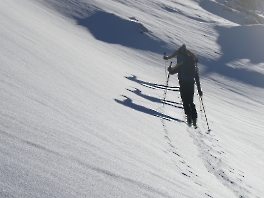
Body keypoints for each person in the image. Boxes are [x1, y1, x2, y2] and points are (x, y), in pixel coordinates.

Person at [163, 44, 203, 127]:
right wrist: (199, 90)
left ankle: (188, 117)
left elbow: (171, 72)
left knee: (185, 101)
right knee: (191, 101)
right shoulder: (194, 67)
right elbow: (197, 78)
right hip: (191, 85)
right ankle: (194, 118)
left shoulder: (181, 64)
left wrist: (169, 69)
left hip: (183, 84)